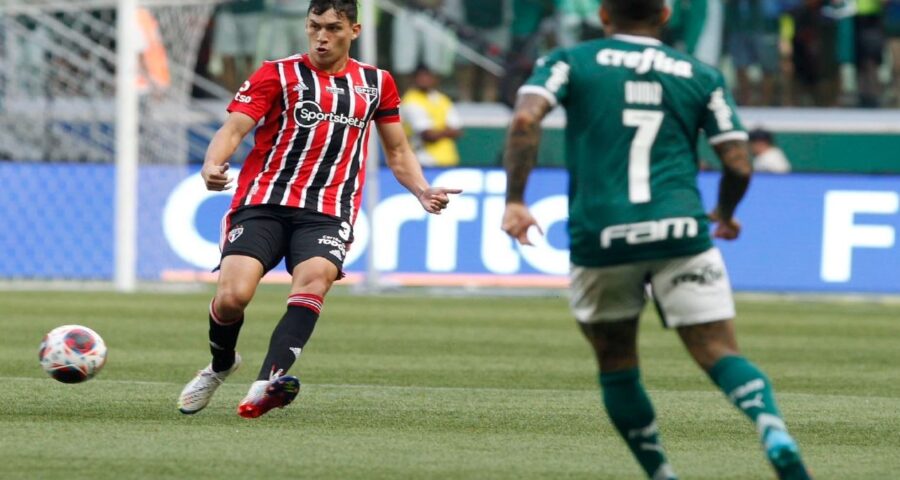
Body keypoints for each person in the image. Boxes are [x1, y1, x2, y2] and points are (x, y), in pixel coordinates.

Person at [501, 1, 813, 479]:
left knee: (617, 359)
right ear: (666, 14)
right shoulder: (700, 75)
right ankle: (771, 426)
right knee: (718, 350)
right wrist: (725, 214)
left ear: (604, 14)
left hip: (601, 234)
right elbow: (738, 162)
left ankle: (661, 472)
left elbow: (524, 120)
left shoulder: (569, 61)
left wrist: (517, 200)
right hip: (680, 229)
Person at [177, 0, 462, 419]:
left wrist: (420, 190)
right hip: (264, 202)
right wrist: (211, 163)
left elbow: (398, 149)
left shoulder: (376, 83)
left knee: (313, 282)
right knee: (233, 298)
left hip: (328, 210)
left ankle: (265, 384)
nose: (322, 37)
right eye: (314, 27)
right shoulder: (276, 73)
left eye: (333, 28)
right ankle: (221, 364)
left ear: (355, 31)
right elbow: (235, 127)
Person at [400, 65, 463, 167]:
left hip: (448, 159)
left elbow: (457, 131)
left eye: (428, 76)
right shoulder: (410, 100)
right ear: (414, 79)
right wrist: (446, 131)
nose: (424, 80)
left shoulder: (442, 99)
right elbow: (428, 135)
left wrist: (438, 132)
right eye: (421, 77)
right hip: (422, 160)